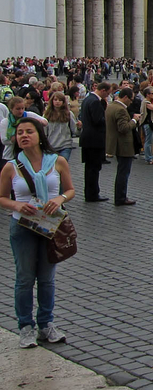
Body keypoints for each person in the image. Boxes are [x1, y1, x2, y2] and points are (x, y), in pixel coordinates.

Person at [0, 118, 75, 347]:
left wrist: (59, 198)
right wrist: (16, 205)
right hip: (22, 227)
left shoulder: (58, 162)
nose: (23, 136)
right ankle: (25, 326)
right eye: (20, 132)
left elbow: (70, 190)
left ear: (39, 135)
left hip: (50, 227)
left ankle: (46, 325)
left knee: (47, 279)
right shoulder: (11, 166)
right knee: (24, 278)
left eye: (29, 131)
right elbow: (2, 197)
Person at [105, 87, 142, 206]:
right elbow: (123, 128)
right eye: (130, 100)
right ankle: (121, 197)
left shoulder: (111, 106)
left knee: (121, 171)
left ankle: (120, 196)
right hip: (123, 145)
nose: (131, 102)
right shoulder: (121, 109)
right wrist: (134, 120)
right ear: (125, 97)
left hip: (115, 143)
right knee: (123, 172)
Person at [78, 82, 110, 202]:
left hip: (87, 138)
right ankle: (92, 194)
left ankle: (89, 192)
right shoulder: (96, 102)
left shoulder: (87, 99)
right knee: (94, 168)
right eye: (107, 93)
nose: (107, 96)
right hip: (94, 139)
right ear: (103, 90)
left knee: (89, 168)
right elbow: (98, 120)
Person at [43, 92, 78, 163]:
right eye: (55, 100)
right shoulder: (46, 114)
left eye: (60, 100)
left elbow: (75, 130)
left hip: (65, 145)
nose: (57, 102)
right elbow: (44, 132)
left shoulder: (69, 114)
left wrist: (79, 127)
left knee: (62, 165)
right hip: (51, 146)